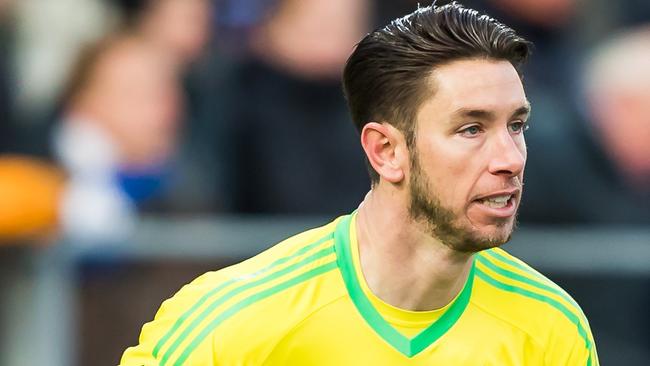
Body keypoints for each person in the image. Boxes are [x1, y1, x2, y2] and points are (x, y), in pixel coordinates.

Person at [120, 2, 599, 365]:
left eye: (517, 126)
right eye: (471, 129)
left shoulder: (552, 329)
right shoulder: (233, 321)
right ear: (386, 151)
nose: (510, 159)